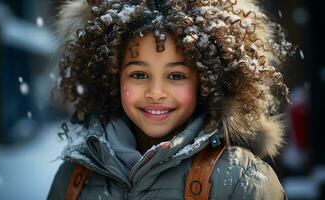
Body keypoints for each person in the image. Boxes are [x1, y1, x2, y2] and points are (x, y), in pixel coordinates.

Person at [48, 0, 293, 199]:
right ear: (112, 78)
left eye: (175, 75)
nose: (156, 92)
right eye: (139, 74)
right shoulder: (74, 178)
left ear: (207, 81)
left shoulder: (242, 181)